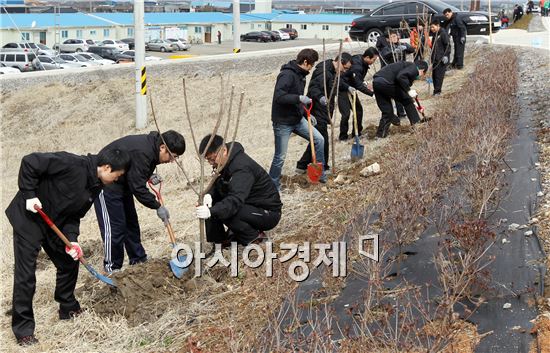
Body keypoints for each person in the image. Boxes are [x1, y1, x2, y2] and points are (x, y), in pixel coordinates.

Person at [5, 148, 130, 346]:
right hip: (29, 218)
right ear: (107, 168)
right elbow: (30, 161)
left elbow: (74, 215)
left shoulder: (96, 186)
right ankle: (23, 330)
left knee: (69, 261)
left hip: (54, 224)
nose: (117, 179)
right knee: (26, 274)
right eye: (118, 175)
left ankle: (68, 307)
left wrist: (72, 240)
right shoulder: (70, 163)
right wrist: (29, 194)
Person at [93, 130, 186, 274]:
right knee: (115, 228)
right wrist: (157, 206)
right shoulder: (143, 151)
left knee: (131, 224)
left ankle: (138, 261)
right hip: (107, 183)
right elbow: (138, 187)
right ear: (162, 147)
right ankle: (112, 269)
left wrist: (148, 174)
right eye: (172, 156)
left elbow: (136, 169)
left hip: (123, 183)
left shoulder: (152, 147)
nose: (172, 161)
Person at [195, 134, 282, 246]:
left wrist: (211, 211)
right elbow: (218, 186)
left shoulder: (241, 168)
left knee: (225, 210)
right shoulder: (224, 163)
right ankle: (220, 240)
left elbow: (235, 200)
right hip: (248, 205)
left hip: (267, 212)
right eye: (208, 160)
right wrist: (209, 196)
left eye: (212, 159)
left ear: (223, 150)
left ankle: (255, 237)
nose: (211, 163)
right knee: (212, 203)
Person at [268, 48, 325, 191]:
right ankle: (272, 185)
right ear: (305, 62)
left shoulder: (301, 75)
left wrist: (306, 113)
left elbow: (297, 100)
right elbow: (279, 97)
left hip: (297, 119)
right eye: (312, 64)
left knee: (319, 139)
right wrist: (299, 98)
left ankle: (320, 174)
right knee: (280, 156)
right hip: (283, 122)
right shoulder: (287, 75)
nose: (312, 68)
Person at [296, 52, 353, 173]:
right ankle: (324, 167)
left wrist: (347, 87)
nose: (344, 71)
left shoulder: (332, 71)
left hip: (324, 110)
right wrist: (321, 97)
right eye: (345, 68)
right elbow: (313, 88)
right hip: (316, 109)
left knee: (317, 139)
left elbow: (335, 83)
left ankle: (301, 165)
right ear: (339, 62)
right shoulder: (323, 71)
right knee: (323, 139)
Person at [373, 60, 429, 138]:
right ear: (422, 70)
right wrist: (409, 91)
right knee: (407, 101)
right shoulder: (414, 68)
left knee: (387, 111)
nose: (420, 77)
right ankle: (416, 124)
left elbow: (401, 84)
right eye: (423, 74)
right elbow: (400, 77)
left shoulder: (405, 66)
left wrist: (415, 102)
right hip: (387, 82)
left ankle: (380, 135)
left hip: (377, 82)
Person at [337, 47, 379, 141]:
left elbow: (358, 79)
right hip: (342, 88)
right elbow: (358, 84)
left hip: (351, 88)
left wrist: (365, 83)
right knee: (346, 113)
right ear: (367, 57)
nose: (374, 61)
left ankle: (356, 132)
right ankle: (343, 137)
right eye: (373, 59)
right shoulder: (357, 66)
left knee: (358, 110)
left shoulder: (361, 60)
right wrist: (372, 94)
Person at [429, 21, 451, 96]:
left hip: (441, 59)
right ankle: (435, 90)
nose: (432, 29)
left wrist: (446, 56)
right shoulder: (435, 34)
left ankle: (438, 91)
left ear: (438, 25)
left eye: (433, 27)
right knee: (434, 76)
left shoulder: (443, 33)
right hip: (435, 58)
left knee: (439, 76)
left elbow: (448, 45)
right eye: (431, 27)